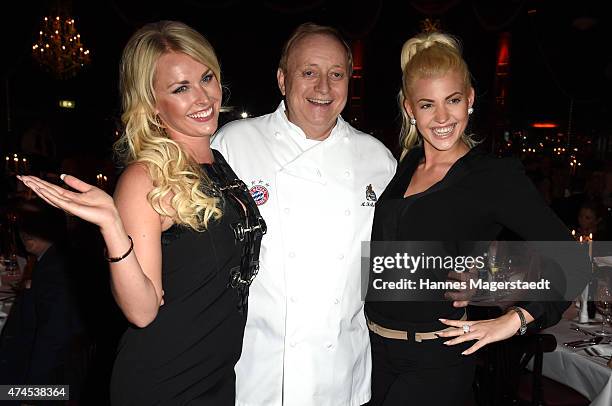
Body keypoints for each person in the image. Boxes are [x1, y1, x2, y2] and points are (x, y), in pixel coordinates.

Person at [18, 20, 265, 405]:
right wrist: (112, 228)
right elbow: (142, 311)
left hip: (216, 375)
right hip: (166, 381)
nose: (203, 98)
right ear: (151, 103)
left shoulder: (216, 161)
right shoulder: (145, 177)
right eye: (180, 88)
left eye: (206, 78)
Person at [364, 31, 585, 405]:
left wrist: (513, 318)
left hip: (435, 360)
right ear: (409, 109)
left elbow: (574, 260)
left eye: (452, 100)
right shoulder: (403, 166)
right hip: (371, 353)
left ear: (469, 100)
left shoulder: (493, 177)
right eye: (427, 104)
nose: (442, 117)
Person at [212, 23, 396, 406]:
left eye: (336, 75)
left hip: (342, 374)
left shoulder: (378, 160)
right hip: (255, 373)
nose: (324, 88)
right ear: (282, 80)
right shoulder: (235, 144)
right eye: (308, 72)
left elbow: (393, 259)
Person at [0, 199, 83, 388]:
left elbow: (53, 340)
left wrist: (32, 396)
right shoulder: (50, 259)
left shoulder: (55, 272)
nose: (23, 233)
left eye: (30, 226)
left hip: (40, 386)